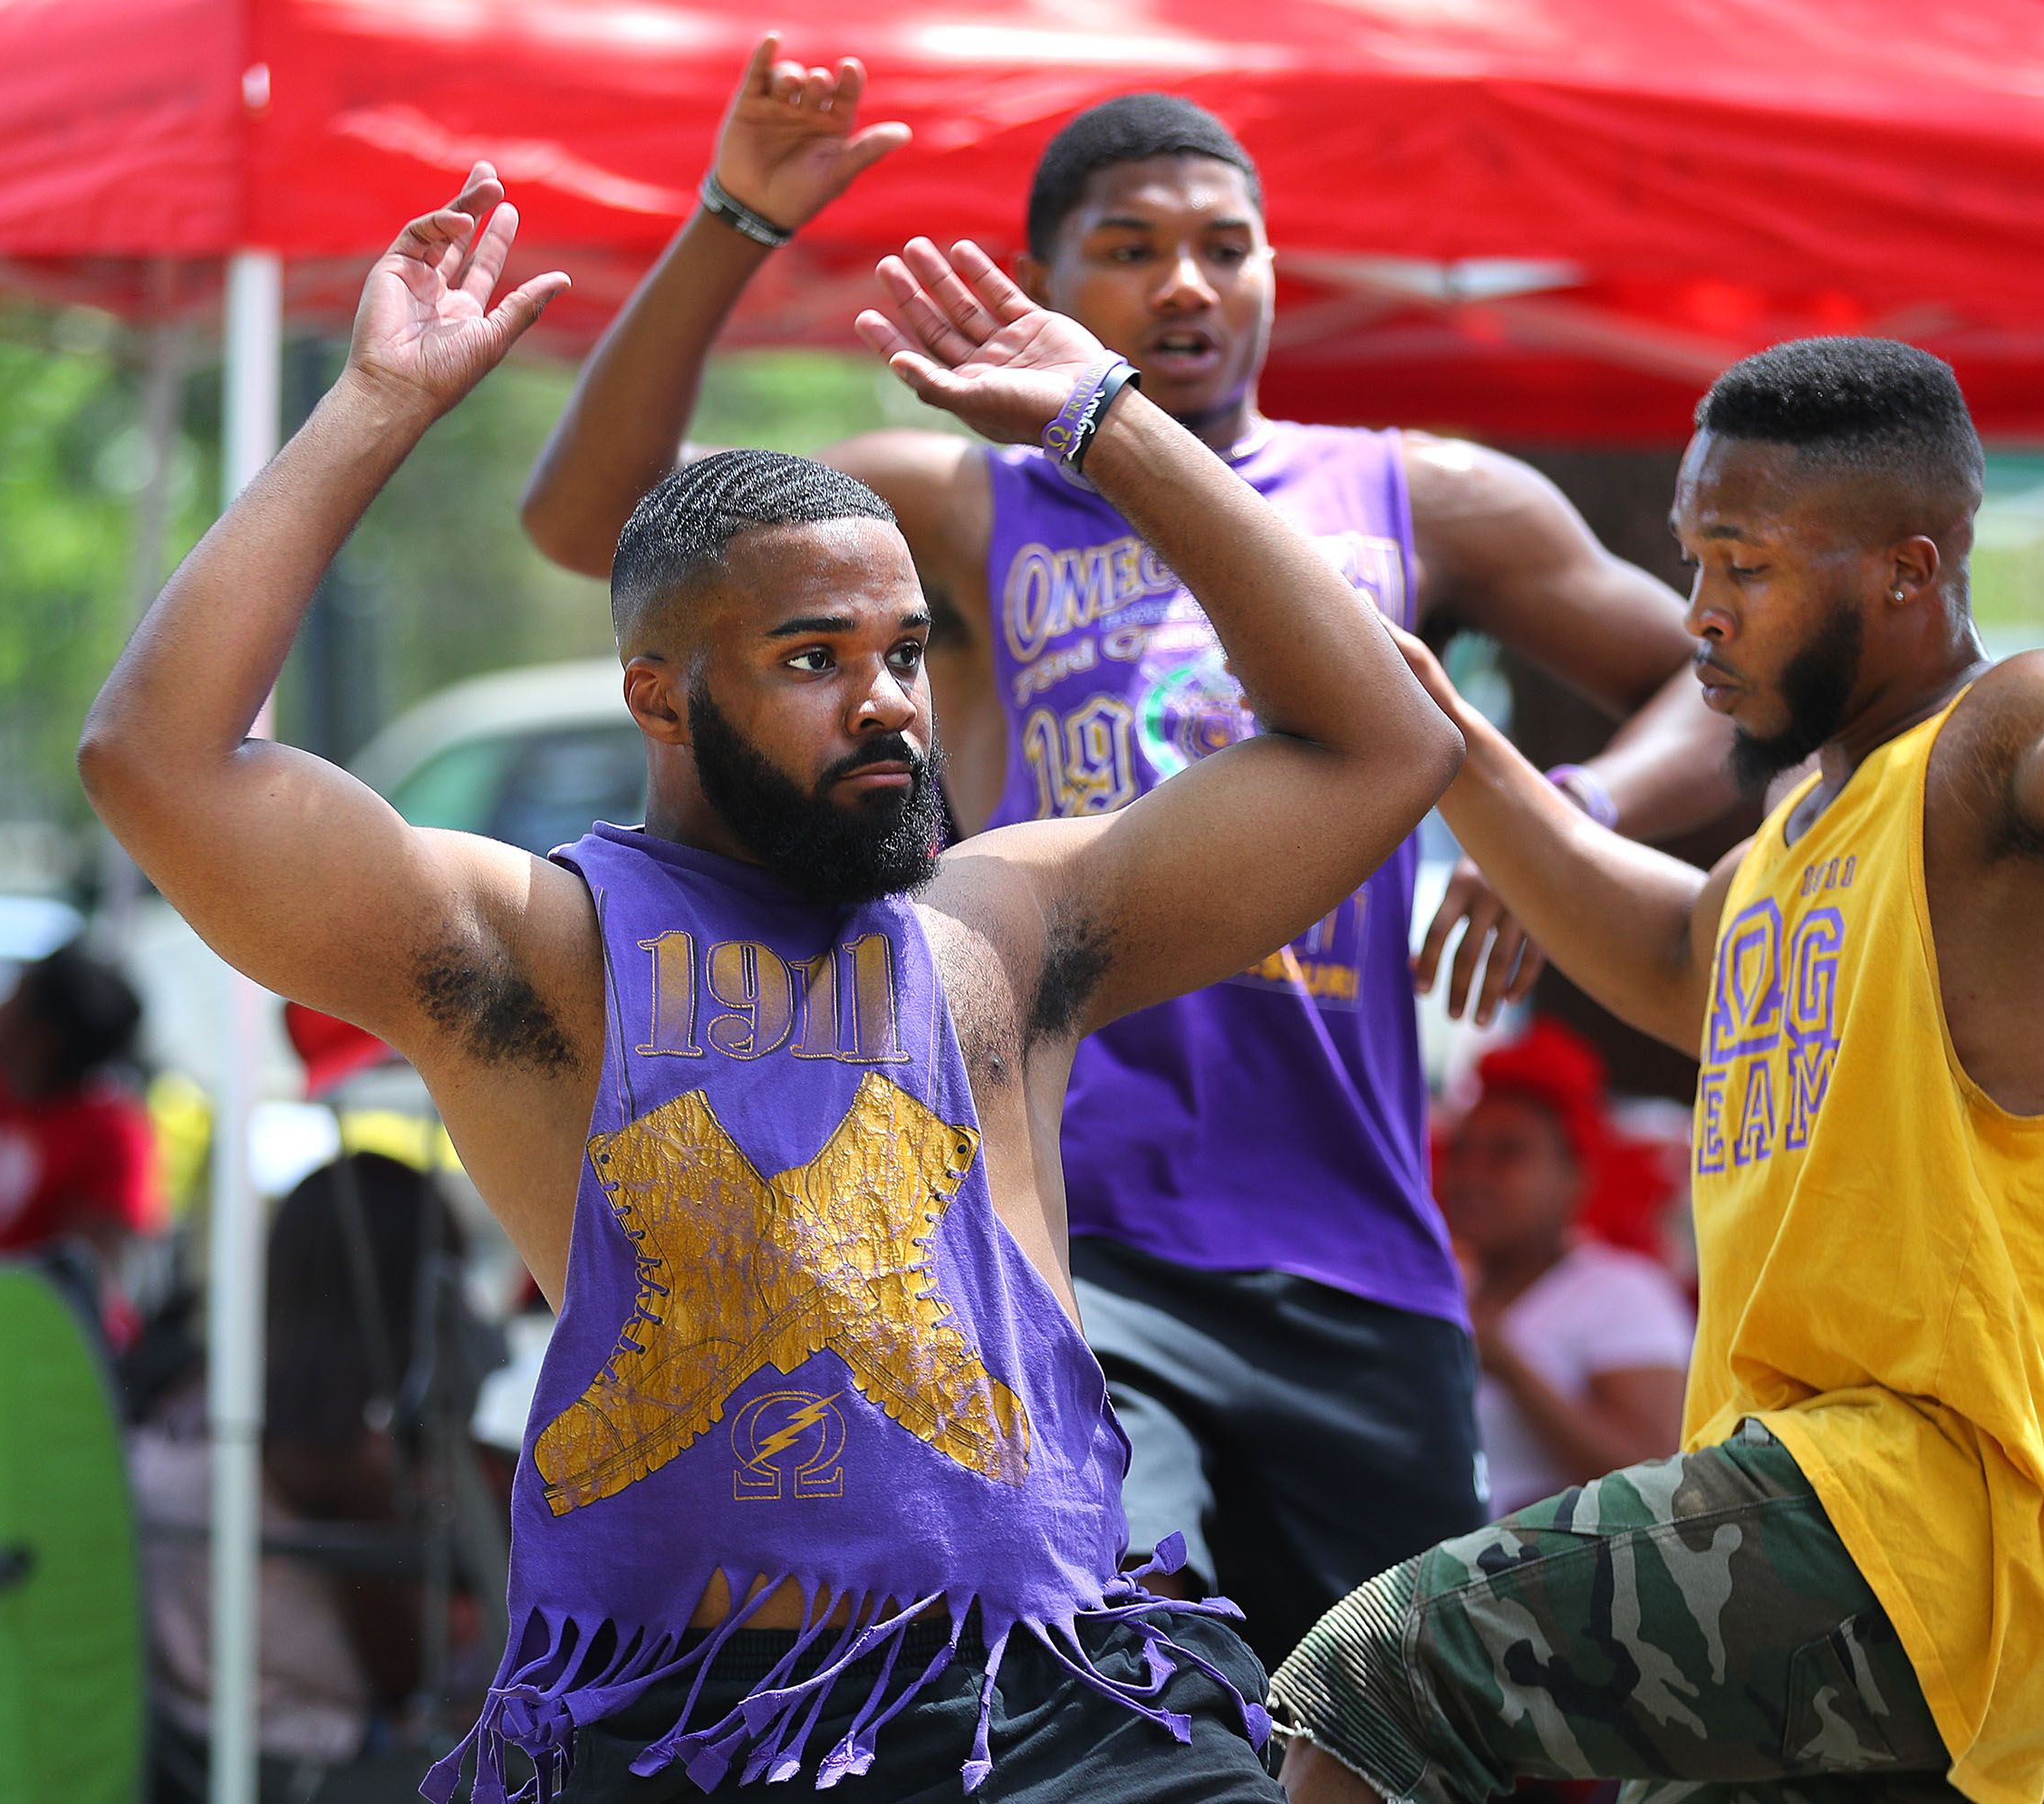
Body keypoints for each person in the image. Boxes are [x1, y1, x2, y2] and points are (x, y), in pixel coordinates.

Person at [79, 167, 1460, 1800]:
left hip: (1050, 1702)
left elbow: (1386, 747)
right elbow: (157, 759)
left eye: (903, 653)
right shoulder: (541, 943)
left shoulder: (1008, 919)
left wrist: (1102, 419)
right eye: (815, 660)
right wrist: (374, 406)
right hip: (677, 1725)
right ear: (657, 698)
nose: (883, 702)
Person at [517, 41, 1733, 1664]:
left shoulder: (1407, 495)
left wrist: (1562, 822)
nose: (1186, 285)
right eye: (1129, 249)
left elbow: (1714, 688)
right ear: (1036, 282)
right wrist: (735, 218)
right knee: (1117, 1677)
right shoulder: (958, 505)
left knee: (1387, 1727)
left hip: (1354, 1238)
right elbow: (601, 527)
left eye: (1224, 247)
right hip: (1071, 1235)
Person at [1271, 245, 2044, 1804]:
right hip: (1833, 1538)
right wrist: (1460, 743)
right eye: (1691, 561)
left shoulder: (1998, 740)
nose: (1697, 614)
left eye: (1740, 565)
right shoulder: (1790, 839)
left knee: (1366, 1673)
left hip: (1925, 1511)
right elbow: (1671, 949)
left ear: (1903, 568)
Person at [137, 1153, 476, 1801]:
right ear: (411, 1295)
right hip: (313, 1762)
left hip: (181, 1743)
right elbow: (409, 1667)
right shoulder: (336, 1459)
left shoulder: (189, 1401)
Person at [1441, 1019, 1692, 1518]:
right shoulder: (1450, 1286)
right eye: (1461, 1151)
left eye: (1507, 1153)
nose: (1471, 1174)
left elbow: (1656, 1476)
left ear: (1575, 1176)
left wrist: (1512, 1367)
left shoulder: (1625, 1291)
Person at [0, 943, 158, 1264]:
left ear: (43, 1037)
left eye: (14, 999)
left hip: (24, 1313)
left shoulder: (109, 1134)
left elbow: (92, 1276)